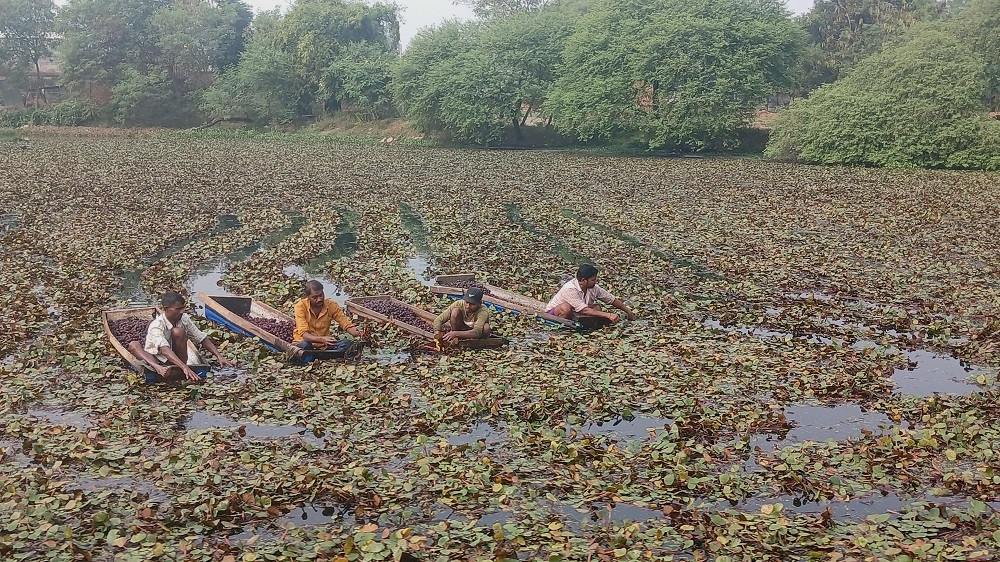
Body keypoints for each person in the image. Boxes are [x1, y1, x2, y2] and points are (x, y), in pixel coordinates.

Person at [128, 292, 235, 381]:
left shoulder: (184, 318)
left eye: (183, 308)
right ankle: (157, 367)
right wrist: (184, 367)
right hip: (157, 358)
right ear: (166, 309)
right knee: (134, 345)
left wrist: (219, 356)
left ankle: (179, 366)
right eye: (178, 309)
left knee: (178, 331)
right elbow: (164, 350)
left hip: (178, 359)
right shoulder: (156, 325)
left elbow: (201, 338)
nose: (182, 311)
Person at [289, 280, 363, 361]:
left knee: (347, 344)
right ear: (307, 297)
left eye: (321, 295)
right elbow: (304, 335)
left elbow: (346, 324)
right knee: (305, 346)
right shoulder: (301, 307)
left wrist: (360, 333)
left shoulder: (331, 305)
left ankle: (317, 357)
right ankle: (312, 358)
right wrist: (321, 339)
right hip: (305, 344)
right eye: (315, 297)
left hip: (324, 346)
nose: (319, 299)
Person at [546, 264, 636, 324]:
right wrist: (608, 315)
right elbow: (584, 310)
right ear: (583, 281)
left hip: (575, 312)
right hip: (553, 313)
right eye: (593, 280)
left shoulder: (593, 288)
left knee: (597, 307)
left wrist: (628, 311)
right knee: (566, 308)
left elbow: (611, 299)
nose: (595, 282)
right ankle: (563, 328)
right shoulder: (569, 289)